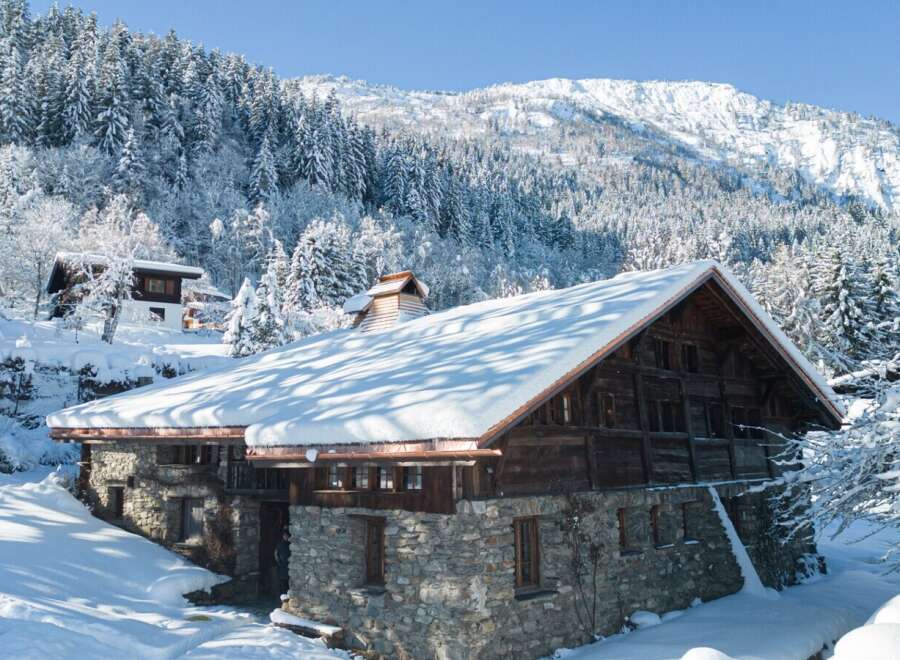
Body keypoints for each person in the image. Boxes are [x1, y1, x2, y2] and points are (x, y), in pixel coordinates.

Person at [274, 529, 291, 596]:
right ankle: (284, 596)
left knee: (288, 582)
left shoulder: (291, 544)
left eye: (286, 536)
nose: (285, 537)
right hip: (283, 566)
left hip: (289, 565)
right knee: (283, 582)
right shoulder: (280, 544)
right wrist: (279, 562)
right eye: (284, 536)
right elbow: (275, 553)